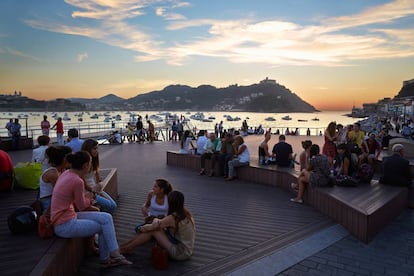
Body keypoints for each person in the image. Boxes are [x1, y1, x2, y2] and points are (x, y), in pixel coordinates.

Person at [51, 151, 132, 268]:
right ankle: (112, 256)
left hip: (67, 216)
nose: (90, 166)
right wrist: (91, 197)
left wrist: (87, 198)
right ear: (85, 166)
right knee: (104, 227)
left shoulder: (67, 173)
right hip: (64, 224)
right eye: (89, 164)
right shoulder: (77, 181)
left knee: (107, 217)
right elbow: (82, 206)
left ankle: (113, 254)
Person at [120, 191, 195, 261]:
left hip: (180, 252)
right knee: (155, 228)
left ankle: (126, 248)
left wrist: (141, 228)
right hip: (187, 249)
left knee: (153, 230)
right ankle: (126, 247)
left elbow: (151, 227)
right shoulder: (186, 214)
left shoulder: (173, 217)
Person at [81, 139, 117, 214]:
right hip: (87, 191)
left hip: (95, 189)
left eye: (97, 148)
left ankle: (103, 217)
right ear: (88, 148)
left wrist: (99, 187)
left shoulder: (94, 161)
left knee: (113, 205)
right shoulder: (83, 163)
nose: (96, 151)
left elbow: (97, 175)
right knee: (110, 205)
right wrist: (93, 191)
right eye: (94, 148)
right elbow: (81, 181)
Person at [39, 145, 72, 211]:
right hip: (49, 201)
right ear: (64, 159)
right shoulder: (53, 174)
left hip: (55, 198)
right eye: (70, 157)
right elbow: (61, 193)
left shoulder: (62, 170)